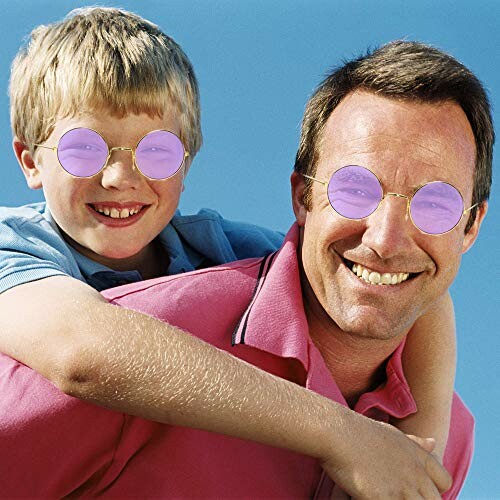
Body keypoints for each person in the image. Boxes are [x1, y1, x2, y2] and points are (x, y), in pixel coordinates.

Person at [0, 6, 488, 498]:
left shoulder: (219, 248)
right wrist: (343, 435)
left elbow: (388, 279)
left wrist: (417, 450)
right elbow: (85, 352)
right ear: (29, 160)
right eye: (83, 150)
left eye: (157, 152)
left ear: (187, 160)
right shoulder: (13, 245)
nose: (121, 178)